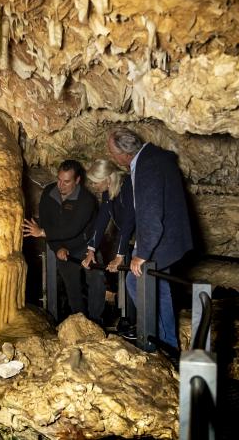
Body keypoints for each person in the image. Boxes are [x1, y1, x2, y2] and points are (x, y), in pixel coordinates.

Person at [107, 127, 194, 351]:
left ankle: (159, 343)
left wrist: (142, 254)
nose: (111, 157)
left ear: (124, 154)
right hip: (170, 238)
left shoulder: (147, 166)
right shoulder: (154, 158)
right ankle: (166, 342)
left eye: (112, 152)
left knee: (139, 283)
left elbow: (150, 214)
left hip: (162, 241)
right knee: (159, 288)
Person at [23, 160, 100, 321]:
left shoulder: (86, 200)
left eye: (66, 182)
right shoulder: (49, 193)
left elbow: (72, 229)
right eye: (59, 179)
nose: (61, 185)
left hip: (87, 247)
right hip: (63, 248)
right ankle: (80, 323)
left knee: (96, 283)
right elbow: (46, 222)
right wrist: (57, 247)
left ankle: (96, 321)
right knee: (72, 288)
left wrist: (42, 232)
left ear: (77, 180)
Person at [81, 159, 136, 333]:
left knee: (135, 281)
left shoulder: (128, 186)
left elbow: (129, 221)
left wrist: (119, 255)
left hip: (142, 238)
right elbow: (101, 221)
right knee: (129, 281)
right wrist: (91, 251)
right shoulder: (107, 193)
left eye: (96, 182)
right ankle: (130, 320)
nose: (93, 185)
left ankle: (139, 323)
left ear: (108, 179)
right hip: (129, 240)